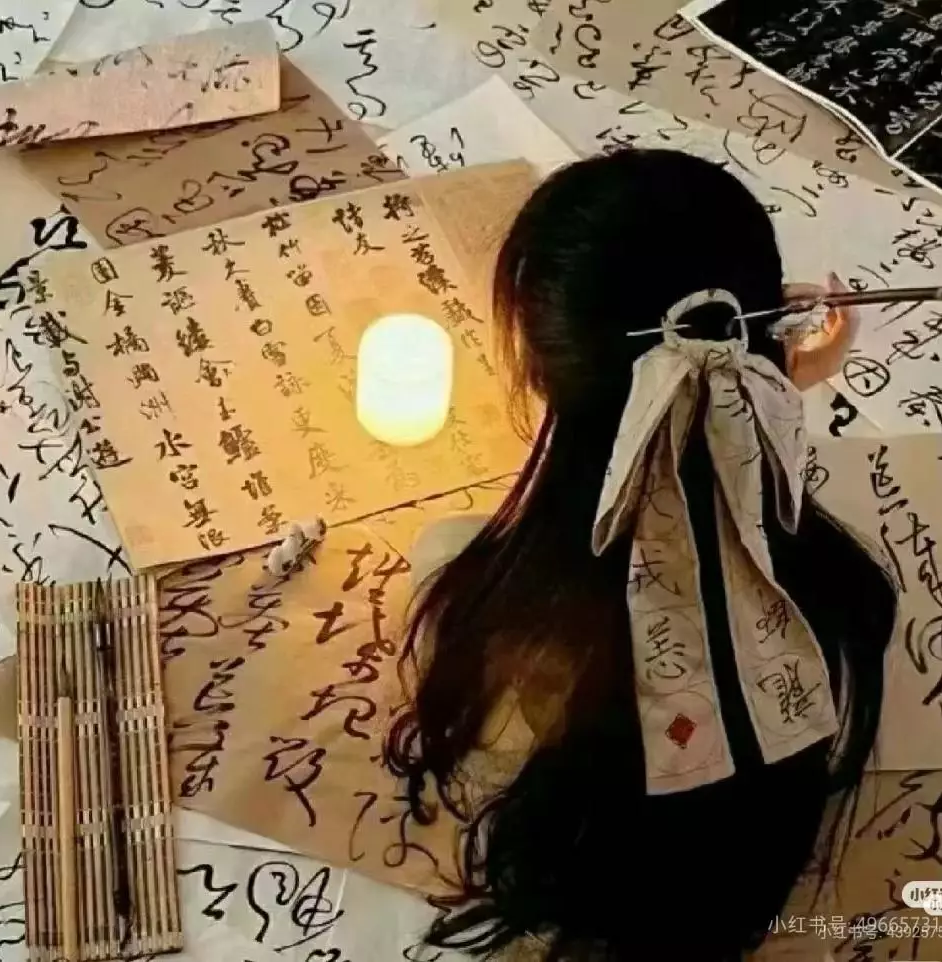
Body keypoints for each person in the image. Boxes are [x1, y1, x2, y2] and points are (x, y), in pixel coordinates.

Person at [384, 150, 897, 961]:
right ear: (761, 330)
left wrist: (753, 372)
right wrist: (768, 378)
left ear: (541, 369)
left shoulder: (484, 607)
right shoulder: (839, 596)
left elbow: (669, 397)